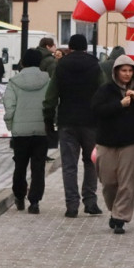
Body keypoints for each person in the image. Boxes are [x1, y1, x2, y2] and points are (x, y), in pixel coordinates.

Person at [44, 33, 106, 218]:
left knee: (69, 165)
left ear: (70, 47)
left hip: (67, 121)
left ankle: (72, 205)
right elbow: (103, 91)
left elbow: (51, 96)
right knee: (90, 162)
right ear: (85, 47)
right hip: (91, 122)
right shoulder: (95, 65)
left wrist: (48, 117)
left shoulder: (61, 66)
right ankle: (90, 201)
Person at [92, 54, 134, 234]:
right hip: (107, 141)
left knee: (127, 182)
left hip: (132, 141)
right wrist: (119, 105)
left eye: (130, 71)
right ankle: (115, 210)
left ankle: (120, 217)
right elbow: (97, 111)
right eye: (123, 71)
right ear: (116, 72)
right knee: (108, 181)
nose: (127, 74)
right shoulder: (105, 90)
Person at [4, 48, 51, 214]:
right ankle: (35, 201)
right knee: (38, 167)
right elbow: (52, 103)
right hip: (41, 130)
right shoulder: (47, 80)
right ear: (40, 62)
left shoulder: (14, 81)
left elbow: (9, 107)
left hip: (20, 132)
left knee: (20, 165)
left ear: (23, 62)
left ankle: (19, 195)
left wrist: (11, 125)